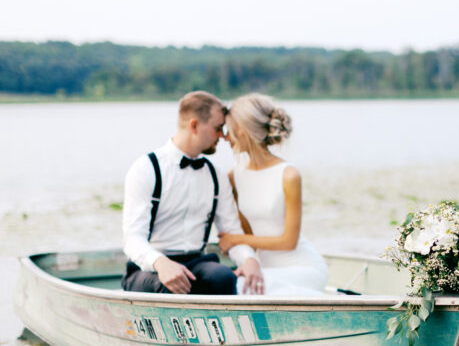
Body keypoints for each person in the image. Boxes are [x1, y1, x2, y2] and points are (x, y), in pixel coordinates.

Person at [121, 91, 265, 294]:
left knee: (223, 277)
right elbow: (132, 239)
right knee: (168, 284)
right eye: (218, 128)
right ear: (194, 125)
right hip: (150, 267)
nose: (223, 136)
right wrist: (160, 263)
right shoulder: (146, 168)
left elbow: (232, 231)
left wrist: (250, 260)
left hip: (198, 262)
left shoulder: (216, 175)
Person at [217, 93, 329, 295]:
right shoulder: (235, 175)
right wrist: (246, 259)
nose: (225, 137)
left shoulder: (288, 175)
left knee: (241, 287)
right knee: (233, 283)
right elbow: (248, 234)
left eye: (228, 130)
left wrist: (235, 240)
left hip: (304, 269)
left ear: (241, 131)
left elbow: (289, 241)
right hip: (267, 269)